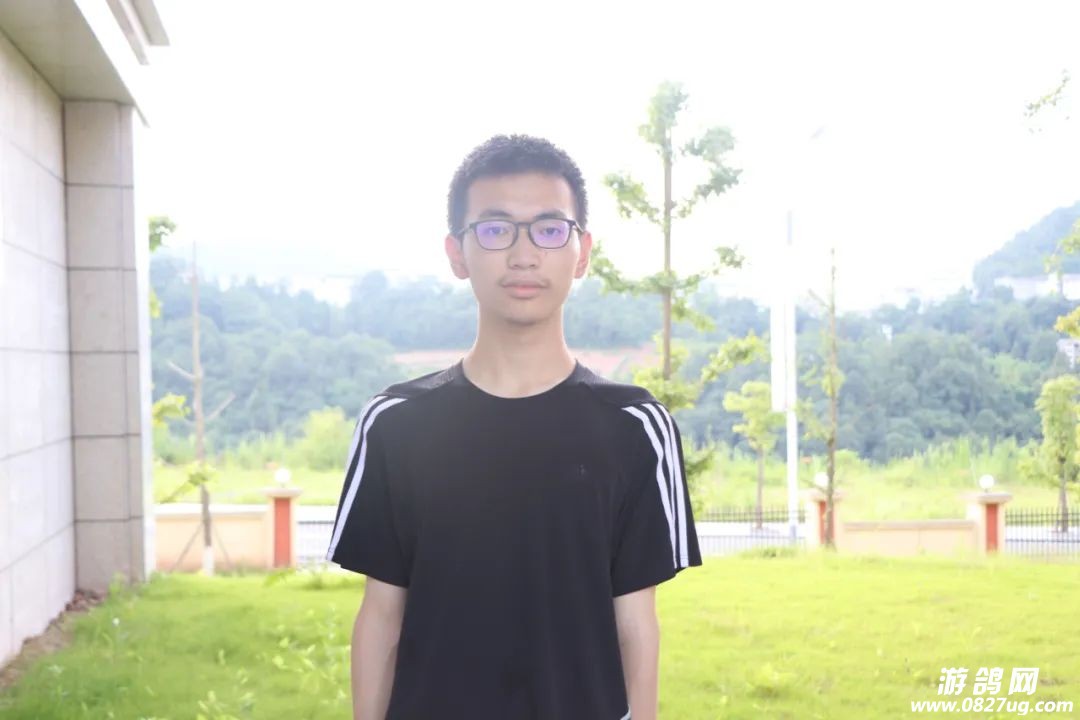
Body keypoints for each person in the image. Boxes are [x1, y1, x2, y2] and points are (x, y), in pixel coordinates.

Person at [325, 134, 702, 720]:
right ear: (457, 253)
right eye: (495, 229)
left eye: (549, 229)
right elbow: (382, 617)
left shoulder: (635, 427)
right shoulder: (396, 423)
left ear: (582, 252)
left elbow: (635, 625)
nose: (524, 255)